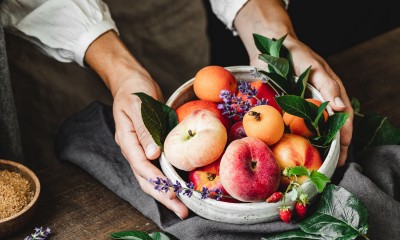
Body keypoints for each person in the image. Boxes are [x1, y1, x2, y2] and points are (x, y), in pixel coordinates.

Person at [1, 0, 353, 219]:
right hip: (52, 32)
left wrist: (274, 34)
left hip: (163, 11)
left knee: (185, 73)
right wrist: (120, 72)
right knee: (76, 145)